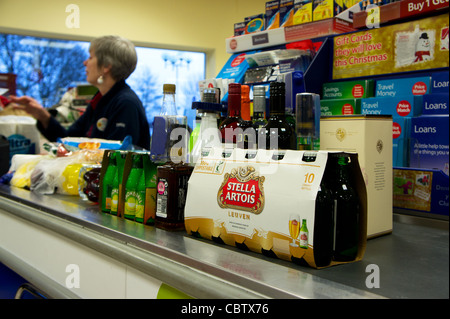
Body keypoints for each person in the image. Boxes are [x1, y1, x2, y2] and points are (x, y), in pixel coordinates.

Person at [11, 35, 150, 149]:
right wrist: (43, 116)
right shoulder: (100, 100)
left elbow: (116, 159)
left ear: (106, 66)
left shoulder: (126, 104)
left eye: (90, 57)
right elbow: (67, 140)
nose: (85, 62)